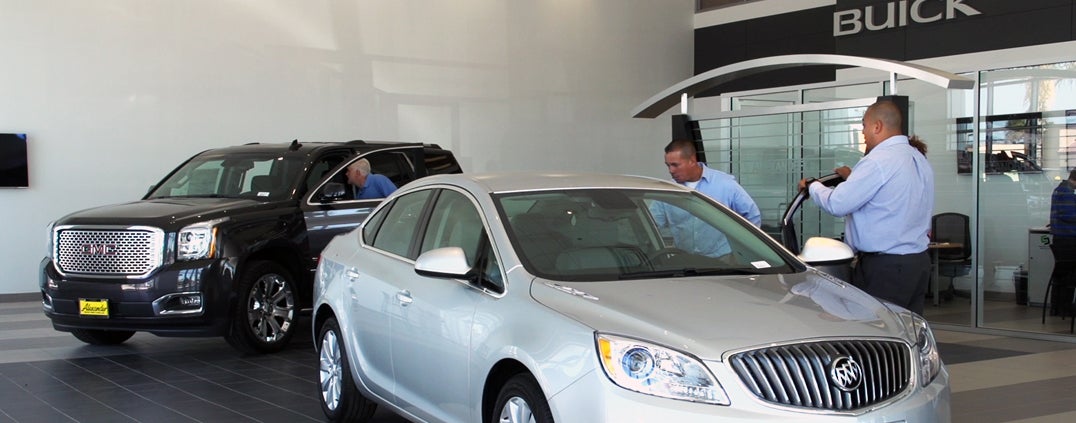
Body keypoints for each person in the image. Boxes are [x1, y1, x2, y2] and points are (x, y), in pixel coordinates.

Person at [798, 100, 934, 315]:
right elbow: (891, 197)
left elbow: (837, 203)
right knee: (909, 329)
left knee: (878, 332)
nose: (862, 133)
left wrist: (813, 186)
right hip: (917, 262)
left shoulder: (878, 160)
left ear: (877, 126)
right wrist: (852, 179)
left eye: (863, 126)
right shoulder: (916, 158)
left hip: (886, 268)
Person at [651, 139, 762, 258]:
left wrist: (743, 249)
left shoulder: (725, 184)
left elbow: (752, 215)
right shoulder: (668, 191)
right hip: (684, 261)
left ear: (692, 161)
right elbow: (652, 224)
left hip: (723, 260)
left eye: (675, 165)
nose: (670, 170)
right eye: (668, 165)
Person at [1048, 168, 1076, 315]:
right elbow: (1070, 215)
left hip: (1062, 238)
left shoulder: (1061, 189)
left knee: (1063, 275)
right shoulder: (1067, 192)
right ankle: (1063, 307)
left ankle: (1058, 307)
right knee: (1068, 275)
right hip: (1067, 239)